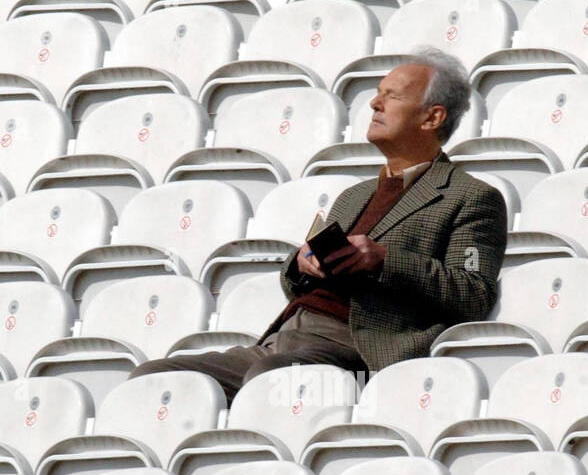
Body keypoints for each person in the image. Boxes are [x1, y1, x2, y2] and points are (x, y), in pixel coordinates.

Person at [130, 46, 508, 400]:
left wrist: (384, 260)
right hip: (284, 338)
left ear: (433, 116)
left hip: (359, 349)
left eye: (391, 96)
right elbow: (297, 284)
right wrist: (300, 262)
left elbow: (472, 293)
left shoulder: (471, 196)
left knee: (271, 382)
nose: (374, 103)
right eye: (377, 93)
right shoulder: (354, 196)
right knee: (154, 378)